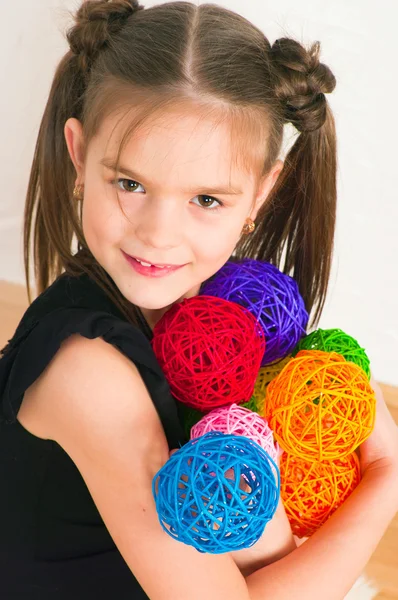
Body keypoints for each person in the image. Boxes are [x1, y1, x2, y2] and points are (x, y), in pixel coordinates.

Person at [0, 1, 397, 598]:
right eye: (130, 184)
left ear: (262, 194)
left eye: (206, 199)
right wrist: (387, 479)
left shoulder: (211, 316)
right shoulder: (87, 375)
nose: (158, 234)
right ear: (80, 155)